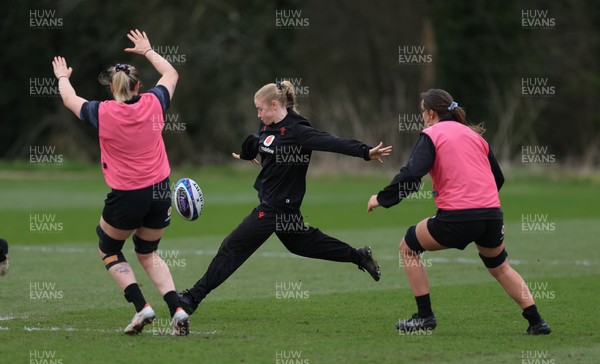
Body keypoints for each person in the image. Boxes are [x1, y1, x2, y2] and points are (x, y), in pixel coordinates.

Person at [177, 81, 393, 316]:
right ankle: (358, 255)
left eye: (260, 108)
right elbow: (256, 139)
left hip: (276, 208)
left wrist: (365, 152)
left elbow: (332, 142)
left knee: (233, 247)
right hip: (282, 209)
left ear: (275, 104)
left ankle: (191, 298)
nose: (258, 114)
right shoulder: (266, 125)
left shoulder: (298, 132)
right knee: (301, 244)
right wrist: (247, 154)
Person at [367, 89, 551, 335]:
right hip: (491, 216)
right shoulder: (476, 136)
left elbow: (411, 176)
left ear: (431, 113)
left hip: (457, 218)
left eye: (422, 111)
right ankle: (537, 322)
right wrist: (485, 206)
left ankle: (425, 317)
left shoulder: (432, 134)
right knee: (500, 267)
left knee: (408, 247)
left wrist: (382, 198)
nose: (422, 116)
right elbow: (497, 178)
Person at [51, 29, 189, 335]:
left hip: (127, 195)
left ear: (112, 89)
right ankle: (177, 309)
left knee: (109, 246)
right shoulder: (155, 102)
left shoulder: (102, 112)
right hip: (160, 191)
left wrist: (62, 76)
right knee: (148, 253)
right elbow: (171, 73)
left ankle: (142, 307)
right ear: (138, 85)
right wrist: (147, 50)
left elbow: (68, 98)